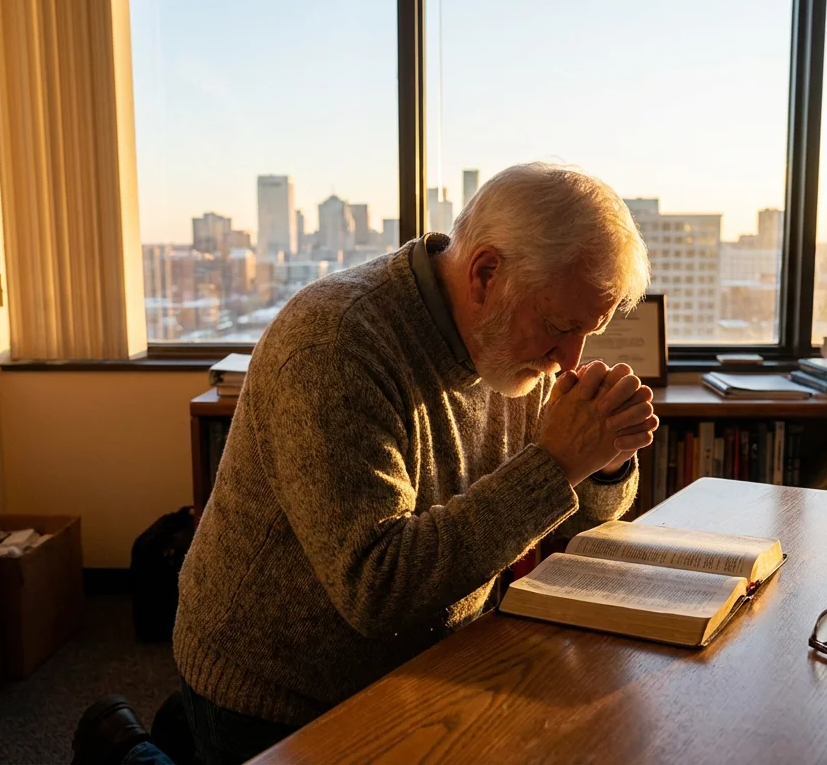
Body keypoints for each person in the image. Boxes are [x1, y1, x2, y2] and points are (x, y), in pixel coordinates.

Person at [172, 163, 657, 764]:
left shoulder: (516, 339)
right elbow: (377, 589)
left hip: (439, 659)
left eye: (589, 332)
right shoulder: (337, 344)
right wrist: (556, 464)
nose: (569, 357)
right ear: (485, 273)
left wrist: (601, 463)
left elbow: (557, 524)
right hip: (276, 691)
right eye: (560, 327)